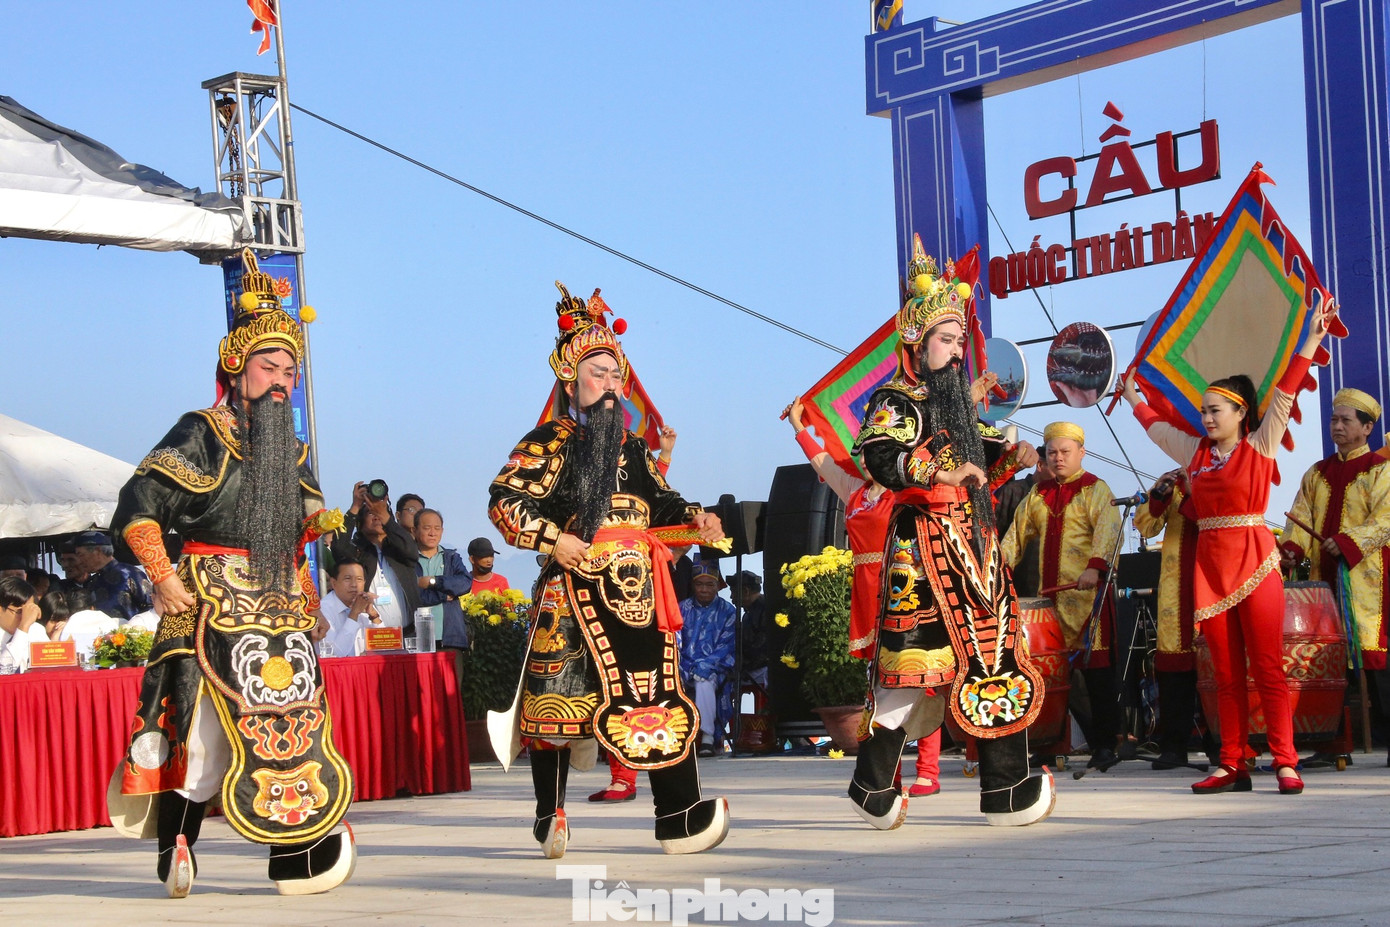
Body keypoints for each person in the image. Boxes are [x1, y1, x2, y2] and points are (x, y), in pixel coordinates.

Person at [106, 248, 356, 897]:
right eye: (269, 365)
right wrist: (162, 575)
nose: (281, 378)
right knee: (202, 731)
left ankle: (295, 852)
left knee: (291, 727)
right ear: (236, 366)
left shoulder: (288, 447)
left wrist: (310, 558)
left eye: (289, 370)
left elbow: (296, 524)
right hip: (207, 595)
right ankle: (177, 844)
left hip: (276, 606)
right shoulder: (201, 429)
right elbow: (139, 506)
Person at [487, 281, 729, 857]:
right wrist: (554, 538)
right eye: (599, 372)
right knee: (557, 706)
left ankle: (680, 816)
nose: (611, 384)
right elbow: (504, 503)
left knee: (661, 696)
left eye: (616, 374)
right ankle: (550, 814)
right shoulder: (548, 441)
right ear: (572, 381)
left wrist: (698, 518)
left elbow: (665, 504)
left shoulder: (634, 449)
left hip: (638, 597)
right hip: (572, 596)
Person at [843, 237, 1051, 829]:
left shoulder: (957, 403)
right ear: (917, 343)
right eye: (947, 340)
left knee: (998, 656)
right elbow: (879, 456)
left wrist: (1009, 455)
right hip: (923, 550)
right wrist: (939, 469)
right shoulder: (897, 399)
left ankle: (1005, 786)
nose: (958, 351)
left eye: (961, 340)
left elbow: (977, 454)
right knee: (917, 671)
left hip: (974, 550)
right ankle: (870, 780)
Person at [1122, 301, 1333, 794]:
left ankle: (1284, 761)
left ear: (1241, 413)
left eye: (1215, 410)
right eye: (1203, 411)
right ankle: (1232, 761)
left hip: (1255, 559)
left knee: (1267, 667)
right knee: (1223, 674)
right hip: (1211, 569)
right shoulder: (1193, 453)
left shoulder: (1260, 445)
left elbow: (1284, 392)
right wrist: (1132, 394)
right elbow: (1155, 426)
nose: (1206, 417)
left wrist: (1311, 339)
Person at [1001, 422, 1124, 769]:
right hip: (1050, 605)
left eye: (1065, 452)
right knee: (1051, 676)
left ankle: (1105, 745)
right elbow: (1015, 537)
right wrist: (996, 566)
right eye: (1052, 452)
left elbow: (1109, 531)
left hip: (1088, 602)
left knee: (1096, 676)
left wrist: (1095, 567)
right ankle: (1051, 745)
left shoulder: (1097, 490)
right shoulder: (1037, 496)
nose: (1058, 458)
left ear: (1081, 453)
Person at [1280, 388, 1390, 765]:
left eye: (1346, 421)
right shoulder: (1317, 473)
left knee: (1379, 661)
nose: (1337, 426)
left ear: (1367, 428)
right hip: (1325, 587)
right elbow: (1300, 517)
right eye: (1333, 419)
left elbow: (1386, 519)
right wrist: (1291, 550)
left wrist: (1347, 542)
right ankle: (1332, 744)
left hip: (1371, 581)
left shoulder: (1381, 469)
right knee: (1328, 662)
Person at [1133, 469, 1208, 769]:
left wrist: (1193, 492)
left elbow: (1213, 518)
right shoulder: (1171, 481)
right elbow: (1147, 527)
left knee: (1214, 667)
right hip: (1175, 585)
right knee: (1173, 665)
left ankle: (1222, 745)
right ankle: (1174, 746)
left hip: (1212, 580)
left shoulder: (1223, 474)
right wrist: (1158, 496)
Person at [331, 482, 421, 632]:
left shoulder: (399, 548)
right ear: (360, 521)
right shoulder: (357, 550)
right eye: (371, 513)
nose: (377, 517)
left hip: (407, 633)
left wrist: (384, 515)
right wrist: (355, 506)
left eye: (380, 513)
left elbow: (412, 551)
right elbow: (338, 546)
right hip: (369, 633)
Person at [679, 567, 738, 757]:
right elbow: (674, 640)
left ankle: (707, 738)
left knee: (704, 681)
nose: (704, 589)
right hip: (683, 663)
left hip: (715, 666)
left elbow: (728, 645)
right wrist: (683, 664)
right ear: (693, 586)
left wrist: (706, 664)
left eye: (709, 585)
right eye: (699, 584)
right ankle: (675, 736)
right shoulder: (682, 608)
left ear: (717, 586)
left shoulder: (728, 611)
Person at [414, 508, 472, 664]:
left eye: (437, 528)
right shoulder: (409, 561)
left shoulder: (451, 557)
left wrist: (434, 581)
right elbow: (414, 595)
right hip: (417, 642)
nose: (432, 533)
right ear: (415, 530)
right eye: (427, 528)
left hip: (450, 639)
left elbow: (465, 583)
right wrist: (443, 595)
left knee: (451, 687)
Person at [72, 530, 154, 621]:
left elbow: (151, 605)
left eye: (81, 555)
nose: (79, 561)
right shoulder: (92, 581)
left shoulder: (129, 573)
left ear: (98, 551)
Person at [317, 556, 381, 656]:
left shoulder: (363, 601)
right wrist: (354, 614)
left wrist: (374, 615)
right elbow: (334, 654)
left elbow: (385, 645)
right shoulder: (323, 609)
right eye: (347, 579)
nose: (354, 585)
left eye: (359, 579)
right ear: (334, 583)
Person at [0, 576, 40, 674]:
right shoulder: (25, 626)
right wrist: (23, 628)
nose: (25, 617)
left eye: (29, 611)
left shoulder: (36, 630)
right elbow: (4, 672)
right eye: (20, 612)